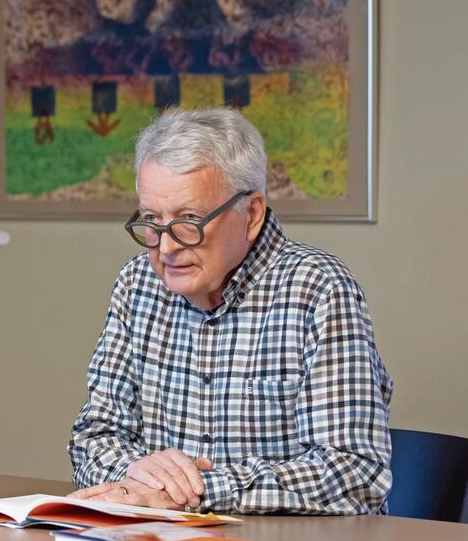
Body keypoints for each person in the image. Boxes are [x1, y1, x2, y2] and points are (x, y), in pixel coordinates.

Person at [66, 108, 393, 515]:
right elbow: (94, 436)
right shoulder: (138, 284)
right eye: (152, 220)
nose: (166, 248)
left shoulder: (319, 289)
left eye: (189, 220)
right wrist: (136, 473)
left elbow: (354, 472)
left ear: (251, 213)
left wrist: (196, 491)